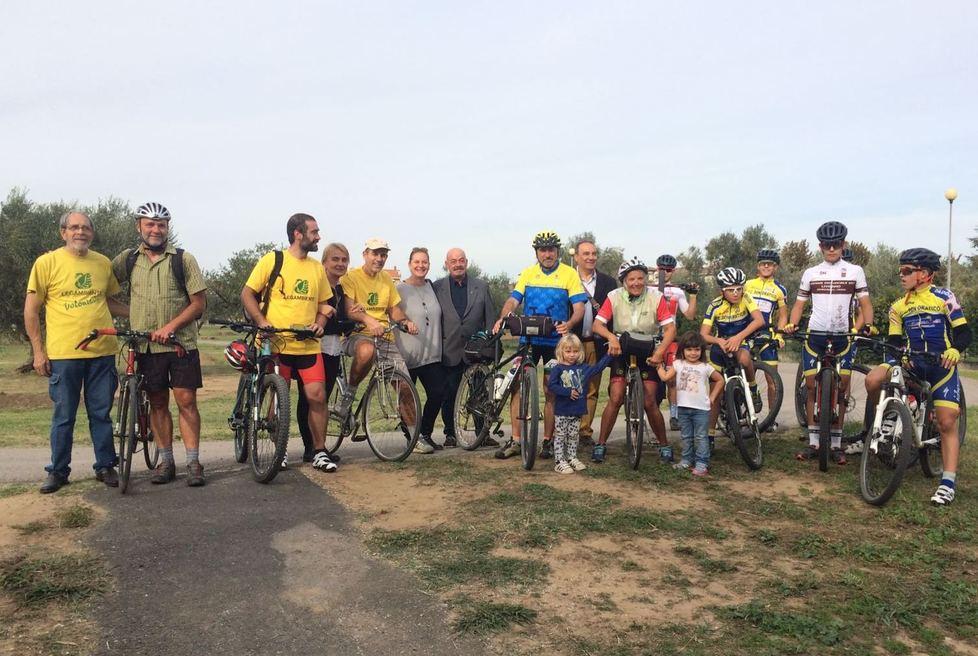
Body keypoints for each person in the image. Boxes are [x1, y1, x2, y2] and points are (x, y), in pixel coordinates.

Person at [26, 211, 129, 493]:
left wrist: (138, 314)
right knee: (64, 416)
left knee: (101, 413)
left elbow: (107, 301)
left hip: (102, 352)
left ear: (92, 233)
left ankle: (106, 466)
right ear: (63, 233)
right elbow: (31, 310)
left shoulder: (102, 263)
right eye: (74, 227)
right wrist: (38, 351)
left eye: (85, 228)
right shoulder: (46, 263)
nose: (79, 232)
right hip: (64, 354)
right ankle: (58, 471)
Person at [112, 202, 208, 487]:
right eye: (150, 224)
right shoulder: (127, 260)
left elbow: (198, 304)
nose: (156, 229)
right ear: (139, 227)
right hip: (146, 348)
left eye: (161, 225)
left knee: (186, 402)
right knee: (157, 403)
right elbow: (101, 286)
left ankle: (193, 461)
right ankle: (166, 461)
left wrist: (169, 327)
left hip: (181, 344)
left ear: (168, 228)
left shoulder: (183, 259)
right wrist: (133, 314)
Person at [863, 248, 969, 506]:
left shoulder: (944, 297)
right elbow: (895, 341)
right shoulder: (898, 306)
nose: (902, 275)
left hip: (941, 367)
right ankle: (885, 420)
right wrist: (897, 356)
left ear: (925, 274)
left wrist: (955, 350)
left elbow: (964, 333)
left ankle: (947, 483)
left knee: (946, 423)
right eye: (900, 271)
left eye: (907, 271)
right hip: (913, 364)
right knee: (873, 379)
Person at [241, 213, 337, 472]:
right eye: (314, 232)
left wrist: (320, 322)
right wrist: (261, 320)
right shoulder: (273, 260)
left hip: (307, 345)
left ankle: (319, 451)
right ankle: (278, 450)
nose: (318, 236)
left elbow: (325, 304)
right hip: (275, 343)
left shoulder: (316, 267)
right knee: (277, 397)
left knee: (317, 396)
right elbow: (247, 293)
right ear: (298, 233)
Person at [492, 231, 586, 460]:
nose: (547, 254)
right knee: (517, 388)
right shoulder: (528, 273)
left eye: (551, 249)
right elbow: (513, 300)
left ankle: (547, 441)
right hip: (529, 341)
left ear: (557, 252)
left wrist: (570, 323)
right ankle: (516, 440)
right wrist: (503, 317)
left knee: (551, 390)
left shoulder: (569, 274)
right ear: (536, 253)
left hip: (556, 342)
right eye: (543, 250)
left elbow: (579, 307)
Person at [785, 221, 873, 465]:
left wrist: (865, 325)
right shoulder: (811, 273)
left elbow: (865, 304)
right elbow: (799, 305)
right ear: (820, 247)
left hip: (843, 335)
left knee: (842, 388)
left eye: (836, 245)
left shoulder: (855, 271)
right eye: (827, 245)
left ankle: (836, 443)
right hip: (816, 335)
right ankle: (814, 441)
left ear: (843, 245)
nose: (832, 249)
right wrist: (792, 324)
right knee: (812, 386)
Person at [336, 239, 424, 449]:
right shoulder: (351, 277)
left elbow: (393, 310)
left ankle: (414, 436)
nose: (379, 259)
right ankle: (349, 395)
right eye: (375, 254)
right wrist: (368, 320)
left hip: (384, 337)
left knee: (405, 386)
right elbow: (349, 309)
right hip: (356, 335)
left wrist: (404, 321)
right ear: (365, 254)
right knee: (367, 350)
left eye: (383, 254)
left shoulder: (386, 279)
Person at [591, 257, 676, 464]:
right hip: (622, 345)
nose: (636, 282)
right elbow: (597, 325)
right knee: (616, 396)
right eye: (631, 279)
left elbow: (670, 329)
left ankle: (664, 444)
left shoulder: (656, 297)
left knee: (649, 400)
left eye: (640, 278)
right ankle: (601, 443)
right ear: (624, 281)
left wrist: (660, 352)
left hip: (649, 347)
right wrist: (611, 338)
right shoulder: (614, 296)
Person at [296, 243, 358, 463]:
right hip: (312, 346)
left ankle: (318, 447)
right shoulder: (316, 284)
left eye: (344, 260)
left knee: (322, 398)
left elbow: (340, 322)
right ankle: (309, 447)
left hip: (333, 347)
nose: (340, 264)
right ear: (324, 262)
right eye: (335, 259)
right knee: (309, 399)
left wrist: (352, 320)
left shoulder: (343, 290)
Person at [433, 248, 497, 448]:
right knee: (449, 394)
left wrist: (489, 342)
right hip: (449, 349)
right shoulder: (437, 287)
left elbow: (491, 318)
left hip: (476, 350)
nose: (458, 264)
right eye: (453, 261)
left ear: (466, 262)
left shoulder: (481, 286)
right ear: (447, 264)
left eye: (461, 260)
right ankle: (450, 434)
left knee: (480, 394)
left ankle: (482, 434)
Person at [700, 267, 766, 441]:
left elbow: (759, 320)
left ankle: (753, 388)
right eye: (730, 290)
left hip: (740, 339)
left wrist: (739, 337)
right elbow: (703, 335)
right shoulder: (714, 306)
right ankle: (710, 435)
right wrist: (718, 341)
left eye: (739, 288)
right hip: (721, 344)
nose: (736, 293)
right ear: (722, 291)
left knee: (745, 359)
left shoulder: (746, 298)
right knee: (715, 393)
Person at [396, 247, 446, 453]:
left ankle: (424, 433)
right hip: (406, 354)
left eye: (424, 262)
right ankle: (412, 436)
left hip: (431, 354)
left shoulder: (432, 287)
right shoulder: (399, 289)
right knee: (406, 397)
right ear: (409, 264)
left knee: (437, 393)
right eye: (416, 262)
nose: (420, 265)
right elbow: (393, 313)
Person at [570, 239, 617, 447]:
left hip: (596, 341)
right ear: (576, 257)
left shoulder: (609, 282)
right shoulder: (568, 279)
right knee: (569, 386)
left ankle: (584, 432)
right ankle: (567, 431)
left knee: (591, 389)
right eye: (586, 254)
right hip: (572, 342)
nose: (590, 257)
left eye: (593, 253)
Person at [656, 331, 723, 477]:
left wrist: (712, 397)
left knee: (700, 437)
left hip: (701, 410)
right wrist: (658, 366)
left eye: (697, 349)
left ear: (702, 350)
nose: (693, 353)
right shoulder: (678, 364)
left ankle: (702, 463)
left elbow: (720, 380)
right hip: (683, 408)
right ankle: (686, 460)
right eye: (689, 349)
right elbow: (665, 377)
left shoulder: (705, 367)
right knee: (686, 436)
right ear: (683, 350)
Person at [546, 334, 611, 474]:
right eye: (568, 351)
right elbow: (551, 385)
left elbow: (598, 368)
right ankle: (559, 461)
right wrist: (567, 392)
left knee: (574, 435)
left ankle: (572, 458)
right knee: (560, 436)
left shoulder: (584, 368)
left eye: (575, 351)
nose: (572, 355)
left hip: (577, 410)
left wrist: (609, 354)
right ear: (561, 351)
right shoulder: (558, 368)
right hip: (562, 410)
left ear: (580, 352)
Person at [743, 248, 788, 429]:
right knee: (743, 376)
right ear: (758, 266)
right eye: (763, 263)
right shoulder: (747, 284)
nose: (766, 266)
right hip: (746, 331)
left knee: (772, 379)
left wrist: (779, 334)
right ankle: (744, 417)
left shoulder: (779, 289)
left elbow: (783, 315)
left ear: (775, 267)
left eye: (770, 264)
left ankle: (770, 419)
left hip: (766, 334)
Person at [654, 254, 699, 431]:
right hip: (650, 337)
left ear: (674, 271)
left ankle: (674, 416)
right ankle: (652, 413)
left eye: (669, 270)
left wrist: (693, 295)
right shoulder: (647, 287)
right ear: (657, 269)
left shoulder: (677, 291)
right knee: (652, 381)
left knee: (672, 379)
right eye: (662, 269)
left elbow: (690, 315)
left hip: (669, 337)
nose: (665, 272)